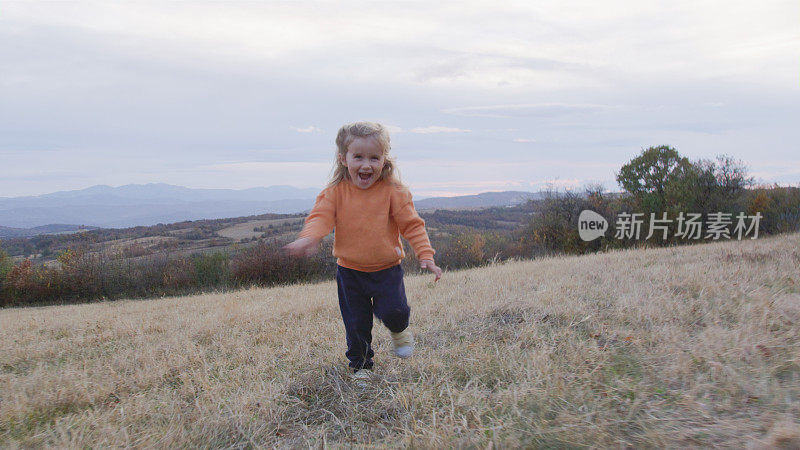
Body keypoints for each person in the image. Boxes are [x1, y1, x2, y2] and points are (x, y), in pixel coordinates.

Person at [283, 121, 442, 383]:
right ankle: (361, 368)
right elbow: (320, 218)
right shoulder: (334, 193)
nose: (366, 165)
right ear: (343, 159)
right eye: (358, 157)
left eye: (374, 158)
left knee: (395, 312)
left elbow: (412, 225)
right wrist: (308, 238)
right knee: (356, 324)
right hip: (350, 273)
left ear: (384, 160)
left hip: (387, 271)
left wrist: (426, 255)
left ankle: (400, 331)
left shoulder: (394, 192)